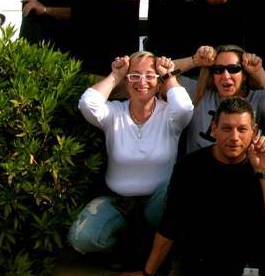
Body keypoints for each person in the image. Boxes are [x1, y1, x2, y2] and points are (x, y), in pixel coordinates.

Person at [118, 97, 265, 276]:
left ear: (254, 131)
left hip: (261, 255)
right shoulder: (191, 166)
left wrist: (262, 172)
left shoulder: (262, 161)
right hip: (221, 261)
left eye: (242, 129)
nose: (234, 137)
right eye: (226, 128)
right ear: (214, 129)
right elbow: (171, 224)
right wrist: (147, 272)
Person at [68, 52, 193, 258]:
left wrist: (169, 76)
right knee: (82, 239)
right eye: (134, 75)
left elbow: (184, 107)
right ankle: (124, 248)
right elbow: (87, 103)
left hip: (158, 204)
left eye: (150, 76)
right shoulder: (114, 113)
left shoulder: (170, 115)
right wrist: (116, 75)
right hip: (120, 202)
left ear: (158, 82)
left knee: (179, 195)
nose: (142, 82)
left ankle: (163, 251)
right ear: (127, 82)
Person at [173, 44, 265, 155]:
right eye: (218, 69)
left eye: (233, 69)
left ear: (244, 75)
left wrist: (258, 71)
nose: (226, 76)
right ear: (213, 75)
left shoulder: (256, 100)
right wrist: (195, 61)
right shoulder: (200, 93)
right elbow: (164, 74)